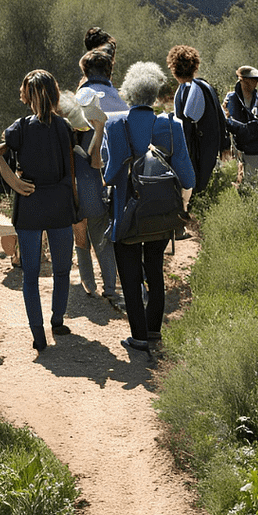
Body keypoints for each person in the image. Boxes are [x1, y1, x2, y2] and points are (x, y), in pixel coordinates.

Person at [102, 61, 196, 355]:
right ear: (155, 94)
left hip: (126, 214)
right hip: (160, 214)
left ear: (128, 94)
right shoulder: (171, 125)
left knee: (129, 276)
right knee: (154, 270)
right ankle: (154, 330)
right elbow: (189, 177)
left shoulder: (115, 125)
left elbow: (108, 176)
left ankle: (139, 337)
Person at [0, 70, 77, 352]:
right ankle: (57, 320)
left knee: (30, 274)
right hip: (59, 202)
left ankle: (38, 336)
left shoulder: (19, 128)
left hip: (30, 202)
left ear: (28, 95)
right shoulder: (64, 126)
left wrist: (14, 182)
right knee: (62, 269)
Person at [74, 47, 127, 303]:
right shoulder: (120, 98)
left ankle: (89, 284)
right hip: (117, 178)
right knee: (104, 235)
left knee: (82, 231)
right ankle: (110, 286)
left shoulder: (82, 96)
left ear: (85, 71)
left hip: (85, 178)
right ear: (110, 71)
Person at [167, 45, 237, 194]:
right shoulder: (205, 86)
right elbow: (221, 116)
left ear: (173, 68)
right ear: (195, 66)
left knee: (195, 192)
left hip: (196, 154)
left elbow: (185, 127)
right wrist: (225, 145)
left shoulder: (185, 90)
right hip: (210, 150)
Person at [225, 65, 258, 184]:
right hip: (238, 142)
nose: (256, 83)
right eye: (253, 79)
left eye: (256, 80)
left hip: (253, 142)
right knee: (239, 173)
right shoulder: (232, 98)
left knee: (253, 174)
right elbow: (228, 121)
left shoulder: (256, 98)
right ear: (243, 80)